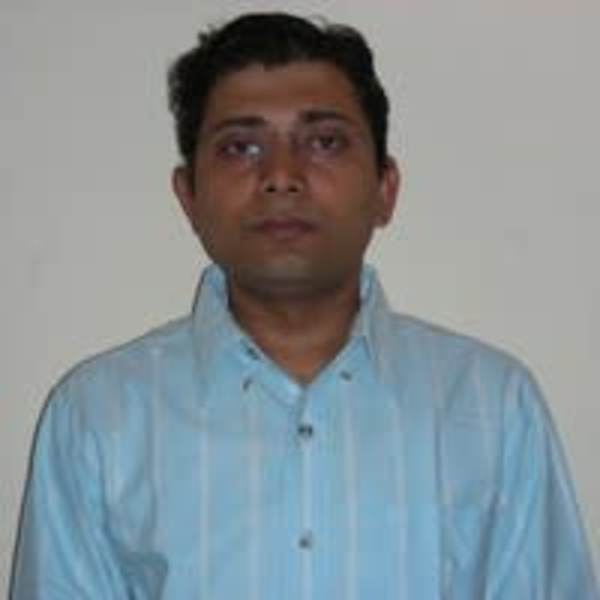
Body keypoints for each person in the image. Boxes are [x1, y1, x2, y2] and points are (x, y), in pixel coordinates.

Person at [10, 12, 599, 599]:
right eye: (241, 147)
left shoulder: (494, 407)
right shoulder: (98, 418)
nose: (281, 176)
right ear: (189, 197)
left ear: (385, 188)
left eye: (324, 142)